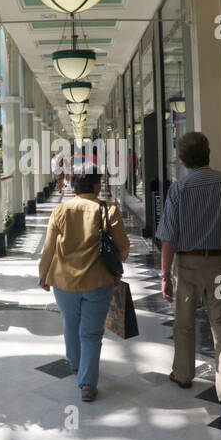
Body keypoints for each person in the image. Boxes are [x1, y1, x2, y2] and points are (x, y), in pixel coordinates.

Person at [157, 131, 221, 418]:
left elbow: (169, 239)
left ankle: (183, 373)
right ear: (208, 153)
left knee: (185, 322)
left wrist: (165, 274)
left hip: (188, 268)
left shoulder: (179, 189)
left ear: (182, 159)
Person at [39, 171, 130, 402]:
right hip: (98, 282)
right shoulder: (108, 210)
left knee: (70, 322)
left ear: (74, 187)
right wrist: (116, 268)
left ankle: (75, 364)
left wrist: (43, 274)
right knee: (91, 332)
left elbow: (49, 247)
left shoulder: (61, 210)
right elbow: (123, 246)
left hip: (64, 282)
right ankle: (87, 384)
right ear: (97, 186)